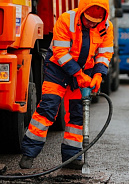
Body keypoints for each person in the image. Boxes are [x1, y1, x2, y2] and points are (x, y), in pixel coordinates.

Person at [19, 0, 114, 170]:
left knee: (77, 115)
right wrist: (79, 75)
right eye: (88, 19)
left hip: (85, 72)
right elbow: (60, 52)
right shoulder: (66, 20)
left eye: (95, 21)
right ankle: (29, 153)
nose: (91, 23)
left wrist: (99, 75)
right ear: (82, 12)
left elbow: (104, 53)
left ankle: (72, 157)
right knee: (48, 109)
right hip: (58, 70)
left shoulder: (106, 26)